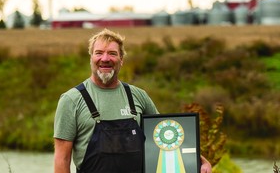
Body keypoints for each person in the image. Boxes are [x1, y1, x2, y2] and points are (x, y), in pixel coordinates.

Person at [54, 28, 212, 173]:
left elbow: (167, 140)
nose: (105, 58)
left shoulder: (139, 96)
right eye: (99, 53)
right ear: (91, 58)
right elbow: (62, 159)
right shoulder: (71, 100)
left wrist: (201, 162)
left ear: (121, 59)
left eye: (112, 53)